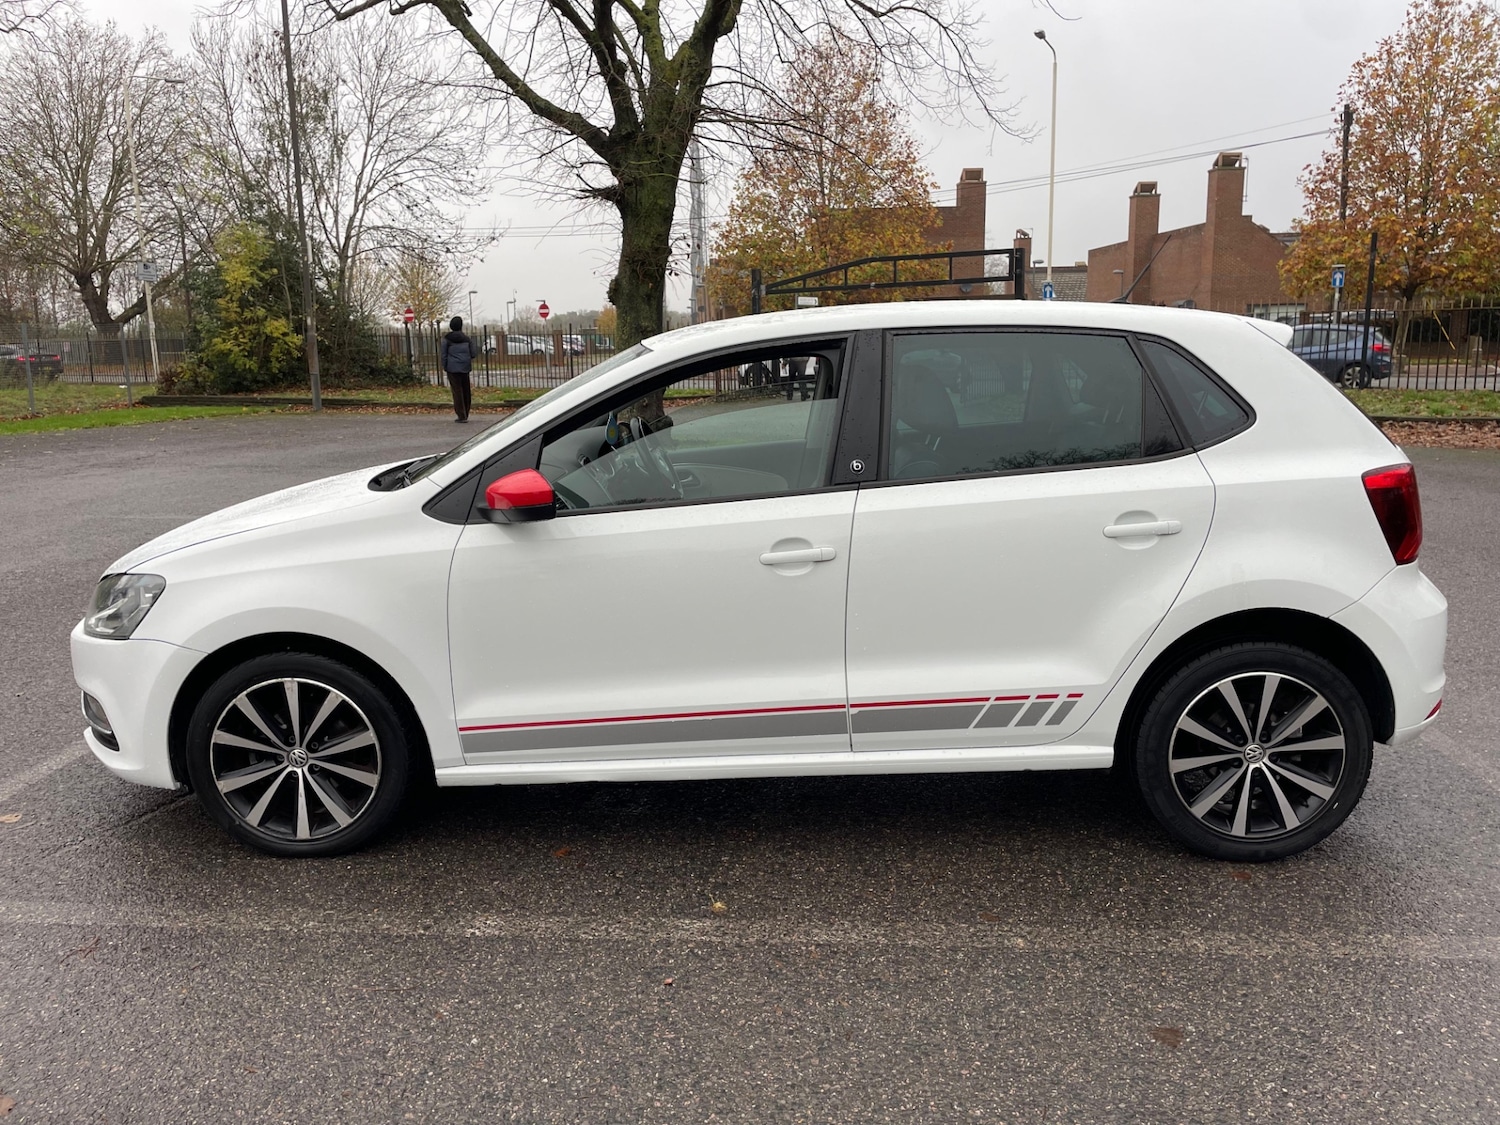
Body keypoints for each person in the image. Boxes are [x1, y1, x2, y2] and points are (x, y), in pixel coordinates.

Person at [440, 315, 478, 422]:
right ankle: (466, 411)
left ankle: (461, 415)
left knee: (457, 391)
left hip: (452, 368)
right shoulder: (466, 339)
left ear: (451, 326)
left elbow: (443, 354)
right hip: (465, 367)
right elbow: (473, 353)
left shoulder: (447, 339)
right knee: (466, 390)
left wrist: (445, 365)